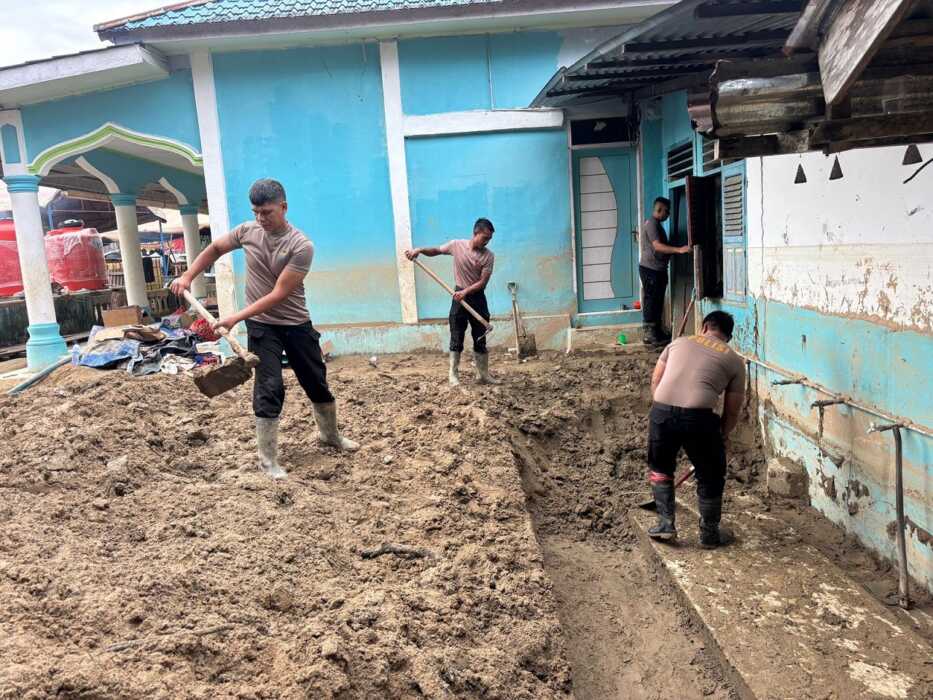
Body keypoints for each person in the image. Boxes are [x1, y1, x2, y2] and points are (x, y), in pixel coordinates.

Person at [171, 178, 358, 480]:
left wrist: (233, 317)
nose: (261, 218)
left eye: (267, 212)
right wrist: (188, 275)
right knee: (269, 387)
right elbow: (216, 248)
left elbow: (278, 294)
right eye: (256, 211)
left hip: (296, 324)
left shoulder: (301, 246)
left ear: (283, 208)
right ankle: (267, 459)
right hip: (262, 327)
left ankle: (330, 435)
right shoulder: (248, 231)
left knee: (316, 382)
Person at [646, 310, 746, 548]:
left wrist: (665, 411)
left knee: (660, 467)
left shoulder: (677, 343)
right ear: (728, 337)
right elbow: (731, 411)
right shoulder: (734, 361)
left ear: (704, 327)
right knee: (711, 474)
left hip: (661, 411)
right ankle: (709, 534)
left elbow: (655, 382)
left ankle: (665, 524)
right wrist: (722, 436)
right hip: (699, 418)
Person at [405, 218, 497, 387]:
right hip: (458, 297)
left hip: (476, 297)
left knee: (480, 337)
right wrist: (419, 250)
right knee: (456, 335)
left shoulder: (488, 256)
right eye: (484, 237)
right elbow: (436, 250)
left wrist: (465, 292)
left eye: (489, 239)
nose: (487, 242)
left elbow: (482, 283)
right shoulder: (457, 245)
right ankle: (453, 375)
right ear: (475, 233)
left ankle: (483, 374)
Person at [639, 197, 690, 347]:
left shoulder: (655, 224)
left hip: (657, 269)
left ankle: (657, 332)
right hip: (651, 269)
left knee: (658, 301)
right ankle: (650, 335)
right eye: (667, 212)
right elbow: (658, 247)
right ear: (659, 209)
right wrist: (679, 250)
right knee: (652, 302)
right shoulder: (652, 225)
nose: (668, 215)